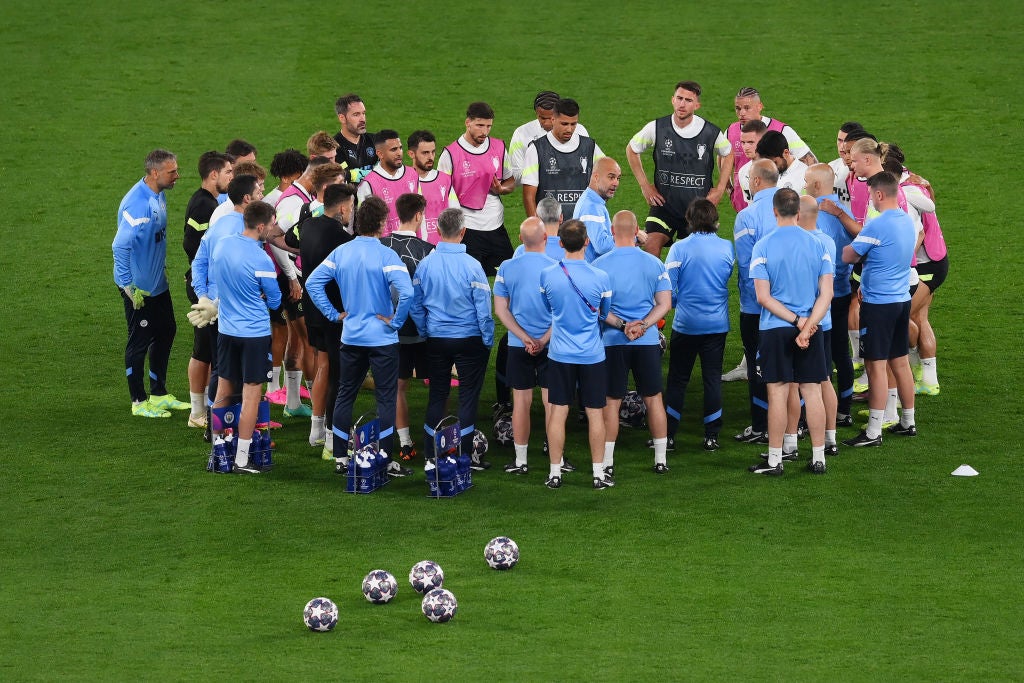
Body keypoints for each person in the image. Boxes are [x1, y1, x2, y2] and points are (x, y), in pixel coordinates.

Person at [305, 196, 414, 476]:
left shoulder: (342, 252)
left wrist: (333, 314)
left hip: (351, 337)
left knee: (345, 396)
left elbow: (312, 282)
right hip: (382, 339)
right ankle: (386, 459)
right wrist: (396, 321)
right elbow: (408, 292)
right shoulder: (387, 255)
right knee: (386, 399)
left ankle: (341, 457)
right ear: (380, 223)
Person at [747, 189, 834, 476]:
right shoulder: (817, 244)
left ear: (774, 212)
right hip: (811, 329)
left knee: (778, 394)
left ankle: (775, 460)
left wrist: (797, 321)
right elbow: (827, 294)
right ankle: (819, 457)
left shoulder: (762, 246)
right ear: (798, 212)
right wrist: (808, 325)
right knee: (813, 392)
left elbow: (763, 297)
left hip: (776, 329)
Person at [411, 208, 495, 467]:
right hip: (470, 339)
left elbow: (415, 305)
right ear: (463, 232)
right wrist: (487, 339)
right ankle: (466, 457)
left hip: (436, 339)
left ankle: (430, 455)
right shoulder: (473, 266)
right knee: (468, 397)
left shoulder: (425, 265)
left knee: (437, 395)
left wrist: (426, 330)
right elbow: (483, 308)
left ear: (438, 231)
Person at [539, 219, 617, 490]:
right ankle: (597, 474)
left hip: (559, 354)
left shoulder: (547, 275)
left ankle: (555, 473)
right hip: (592, 355)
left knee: (558, 412)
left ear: (560, 243)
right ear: (587, 242)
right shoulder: (601, 277)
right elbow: (604, 313)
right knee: (596, 413)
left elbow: (547, 306)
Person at [841, 172, 918, 447]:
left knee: (875, 366)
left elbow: (849, 255)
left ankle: (873, 432)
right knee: (900, 362)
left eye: (872, 194)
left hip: (879, 305)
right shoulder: (907, 220)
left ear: (880, 194)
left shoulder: (877, 224)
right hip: (900, 301)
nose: (870, 199)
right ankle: (908, 421)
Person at [593, 211, 672, 475]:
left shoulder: (599, 265)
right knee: (654, 399)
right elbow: (665, 304)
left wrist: (623, 326)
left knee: (611, 402)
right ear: (637, 229)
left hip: (613, 342)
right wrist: (644, 325)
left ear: (612, 232)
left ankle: (607, 462)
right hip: (647, 342)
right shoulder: (653, 263)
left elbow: (598, 310)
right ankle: (661, 459)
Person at [112, 149, 188, 418]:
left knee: (167, 330)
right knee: (139, 342)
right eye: (172, 171)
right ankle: (138, 401)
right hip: (139, 290)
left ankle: (158, 393)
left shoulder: (158, 194)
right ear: (155, 173)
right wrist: (127, 286)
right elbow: (119, 246)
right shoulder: (139, 205)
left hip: (158, 284)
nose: (177, 175)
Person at [208, 200, 282, 474]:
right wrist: (260, 295)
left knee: (223, 390)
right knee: (252, 395)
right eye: (271, 225)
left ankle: (217, 452)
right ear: (261, 226)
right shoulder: (261, 258)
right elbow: (275, 301)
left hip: (226, 331)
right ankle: (240, 459)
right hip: (254, 334)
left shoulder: (223, 244)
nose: (273, 229)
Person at [626, 80, 733, 257]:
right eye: (679, 98)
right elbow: (632, 149)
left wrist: (720, 189)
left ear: (697, 105)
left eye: (688, 100)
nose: (682, 104)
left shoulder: (710, 132)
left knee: (692, 259)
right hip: (664, 206)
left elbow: (728, 153)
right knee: (650, 247)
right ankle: (656, 285)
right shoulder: (657, 127)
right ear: (672, 100)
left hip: (696, 210)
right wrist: (645, 186)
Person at [663, 199, 735, 454]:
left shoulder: (679, 249)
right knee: (712, 379)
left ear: (689, 219)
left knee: (678, 380)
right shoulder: (727, 248)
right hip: (716, 325)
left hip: (686, 325)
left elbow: (668, 291)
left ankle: (668, 436)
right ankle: (711, 436)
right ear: (715, 220)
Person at [494, 217, 556, 475]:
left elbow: (501, 310)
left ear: (520, 239)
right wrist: (543, 339)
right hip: (551, 346)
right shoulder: (557, 267)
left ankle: (521, 461)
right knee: (553, 403)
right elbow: (562, 312)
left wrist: (523, 337)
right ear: (545, 239)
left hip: (519, 345)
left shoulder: (506, 268)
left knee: (520, 402)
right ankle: (556, 460)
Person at [299, 182, 356, 458]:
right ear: (344, 207)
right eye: (352, 208)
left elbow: (286, 239)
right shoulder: (343, 240)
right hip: (333, 314)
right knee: (338, 375)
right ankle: (334, 439)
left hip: (311, 312)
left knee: (323, 366)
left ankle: (316, 430)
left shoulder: (307, 225)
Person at [381, 193, 436, 462]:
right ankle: (434, 437)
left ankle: (404, 443)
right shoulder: (429, 250)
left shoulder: (382, 246)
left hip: (392, 330)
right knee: (437, 385)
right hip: (423, 330)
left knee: (398, 386)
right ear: (418, 216)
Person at [182, 151, 233, 428]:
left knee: (207, 350)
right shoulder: (203, 206)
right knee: (204, 351)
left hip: (204, 286)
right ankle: (199, 413)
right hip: (202, 288)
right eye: (228, 172)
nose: (231, 177)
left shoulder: (211, 202)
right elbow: (191, 245)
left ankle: (202, 411)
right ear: (214, 175)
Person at [437, 101, 516, 276]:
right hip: (468, 228)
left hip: (496, 225)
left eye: (489, 126)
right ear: (468, 123)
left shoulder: (498, 147)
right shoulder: (450, 154)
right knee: (466, 278)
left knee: (508, 275)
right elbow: (440, 191)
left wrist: (502, 189)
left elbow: (511, 180)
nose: (485, 131)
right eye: (480, 125)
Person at [804, 163, 856, 427]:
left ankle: (816, 414)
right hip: (843, 291)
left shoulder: (815, 216)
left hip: (819, 297)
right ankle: (844, 409)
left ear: (815, 186)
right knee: (841, 352)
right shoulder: (845, 211)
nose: (803, 186)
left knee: (818, 357)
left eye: (805, 182)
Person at [732, 159, 779, 444]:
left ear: (757, 181)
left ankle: (761, 427)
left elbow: (748, 266)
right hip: (792, 307)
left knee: (757, 366)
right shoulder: (791, 206)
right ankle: (795, 426)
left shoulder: (747, 217)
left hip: (757, 307)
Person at [798, 195, 841, 456]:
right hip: (824, 321)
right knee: (824, 379)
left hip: (804, 322)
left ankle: (789, 442)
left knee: (793, 385)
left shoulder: (801, 243)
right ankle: (830, 437)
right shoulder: (827, 240)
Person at [727, 86, 815, 212]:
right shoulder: (731, 131)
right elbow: (724, 162)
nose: (742, 113)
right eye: (738, 108)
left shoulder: (783, 131)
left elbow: (811, 162)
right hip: (748, 200)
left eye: (747, 108)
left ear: (759, 106)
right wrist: (731, 192)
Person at [521, 98, 603, 218]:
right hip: (550, 227)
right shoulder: (536, 149)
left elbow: (608, 173)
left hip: (582, 227)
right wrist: (535, 227)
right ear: (553, 119)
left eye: (573, 124)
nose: (569, 129)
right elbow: (529, 196)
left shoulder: (590, 147)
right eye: (564, 124)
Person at [508, 90, 591, 184]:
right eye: (542, 118)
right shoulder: (522, 133)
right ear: (536, 113)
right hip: (539, 195)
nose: (547, 123)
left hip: (573, 191)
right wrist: (547, 171)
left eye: (551, 118)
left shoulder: (579, 130)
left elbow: (589, 166)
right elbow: (515, 174)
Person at [357, 130, 420, 237]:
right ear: (380, 154)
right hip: (385, 248)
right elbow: (365, 225)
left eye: (400, 148)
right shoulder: (368, 184)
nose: (399, 153)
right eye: (393, 149)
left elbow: (420, 211)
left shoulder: (412, 174)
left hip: (411, 244)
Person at [406, 129, 458, 245]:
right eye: (425, 153)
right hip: (412, 248)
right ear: (411, 154)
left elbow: (455, 213)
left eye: (433, 152)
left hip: (440, 248)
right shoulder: (402, 180)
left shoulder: (445, 180)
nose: (431, 157)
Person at [572, 156, 623, 262]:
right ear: (596, 177)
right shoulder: (591, 206)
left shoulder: (593, 201)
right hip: (591, 273)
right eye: (611, 177)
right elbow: (602, 246)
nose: (616, 183)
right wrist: (631, 237)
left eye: (618, 178)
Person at [333, 93, 376, 183]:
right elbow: (344, 175)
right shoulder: (334, 148)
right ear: (342, 118)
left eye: (363, 113)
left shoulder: (375, 140)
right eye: (356, 115)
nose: (362, 119)